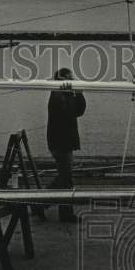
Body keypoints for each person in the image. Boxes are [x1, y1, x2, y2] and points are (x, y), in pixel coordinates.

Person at [44, 68, 86, 223]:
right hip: (60, 141)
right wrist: (75, 94)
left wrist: (78, 94)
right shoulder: (57, 95)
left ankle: (39, 203)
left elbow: (79, 111)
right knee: (66, 179)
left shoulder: (63, 94)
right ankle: (65, 213)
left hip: (63, 141)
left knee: (63, 177)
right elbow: (68, 112)